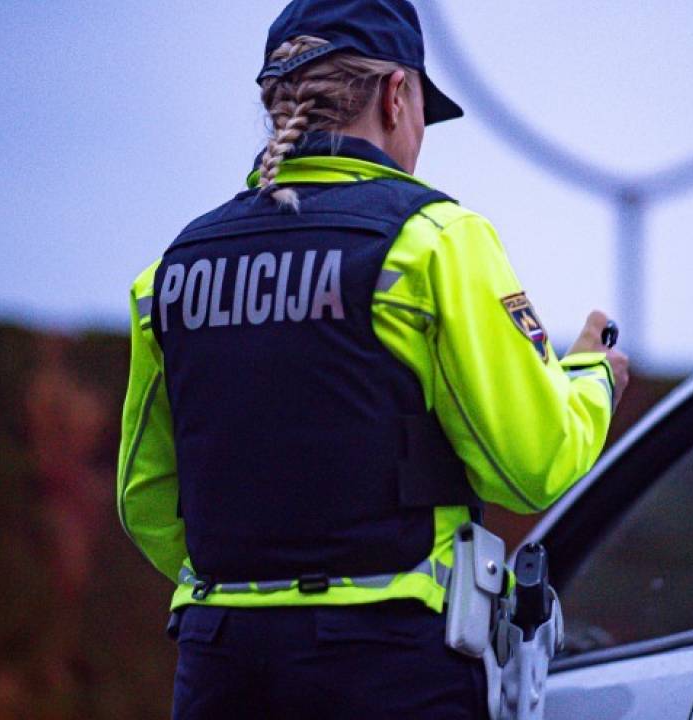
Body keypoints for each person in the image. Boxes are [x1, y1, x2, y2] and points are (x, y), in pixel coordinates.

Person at [115, 1, 629, 717]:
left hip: (218, 663)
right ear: (395, 96)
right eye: (421, 110)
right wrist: (590, 377)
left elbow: (145, 501)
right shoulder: (435, 241)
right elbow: (533, 465)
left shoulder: (172, 268)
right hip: (387, 664)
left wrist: (259, 581)